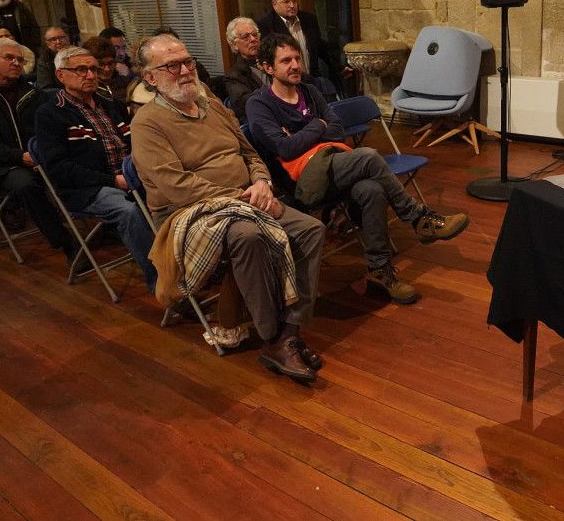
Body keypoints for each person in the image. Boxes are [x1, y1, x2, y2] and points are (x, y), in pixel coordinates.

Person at [131, 34, 326, 381]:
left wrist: (262, 182)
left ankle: (288, 333)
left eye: (188, 62)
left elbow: (249, 153)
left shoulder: (211, 105)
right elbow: (176, 187)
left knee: (311, 229)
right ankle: (271, 337)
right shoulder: (147, 123)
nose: (185, 71)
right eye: (171, 66)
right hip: (187, 213)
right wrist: (244, 197)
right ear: (150, 77)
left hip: (245, 196)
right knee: (248, 235)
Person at [247, 34, 470, 305]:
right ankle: (418, 218)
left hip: (334, 162)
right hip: (303, 182)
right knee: (368, 157)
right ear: (268, 68)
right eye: (286, 61)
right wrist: (318, 126)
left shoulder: (309, 91)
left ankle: (380, 272)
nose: (295, 65)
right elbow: (286, 149)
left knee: (372, 189)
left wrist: (303, 134)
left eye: (297, 58)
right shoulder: (259, 104)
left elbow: (338, 130)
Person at [35, 46, 157, 289]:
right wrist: (113, 180)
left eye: (93, 69)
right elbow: (59, 168)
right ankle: (163, 283)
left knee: (173, 193)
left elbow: (135, 141)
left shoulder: (109, 103)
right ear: (61, 75)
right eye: (81, 70)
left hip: (131, 176)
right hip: (88, 188)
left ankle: (192, 265)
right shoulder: (51, 113)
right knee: (128, 211)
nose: (90, 75)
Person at [0, 38, 78, 261]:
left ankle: (105, 224)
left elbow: (52, 127)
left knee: (77, 166)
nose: (16, 63)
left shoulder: (32, 92)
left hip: (39, 156)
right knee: (26, 185)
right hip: (1, 163)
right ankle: (66, 242)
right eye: (9, 58)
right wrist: (18, 156)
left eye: (20, 59)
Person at [256, 0, 352, 90]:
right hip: (286, 85)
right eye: (286, 2)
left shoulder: (308, 19)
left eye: (294, 1)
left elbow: (320, 47)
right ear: (274, 4)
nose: (292, 5)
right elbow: (267, 57)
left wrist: (339, 68)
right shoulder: (266, 24)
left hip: (312, 82)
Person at [221, 16, 268, 122]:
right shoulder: (234, 76)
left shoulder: (272, 62)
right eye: (245, 36)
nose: (253, 39)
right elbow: (247, 102)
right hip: (261, 121)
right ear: (235, 44)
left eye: (255, 35)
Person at [81, 36, 132, 102]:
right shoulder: (86, 89)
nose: (107, 69)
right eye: (101, 64)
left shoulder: (127, 83)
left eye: (110, 63)